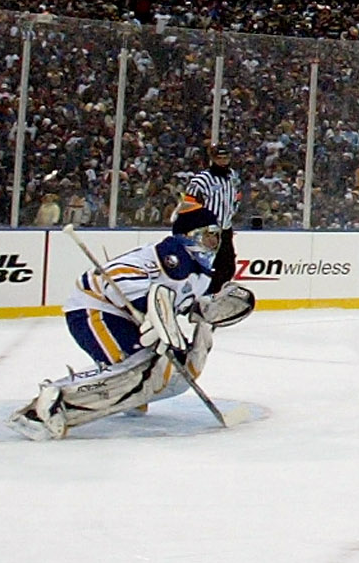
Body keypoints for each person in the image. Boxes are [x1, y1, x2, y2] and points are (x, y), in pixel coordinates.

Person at [13, 166, 253, 439]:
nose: (214, 242)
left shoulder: (199, 275)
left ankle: (109, 396)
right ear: (191, 234)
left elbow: (183, 307)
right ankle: (45, 405)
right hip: (94, 308)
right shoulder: (163, 256)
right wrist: (147, 308)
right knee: (138, 368)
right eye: (209, 234)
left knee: (157, 376)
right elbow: (113, 277)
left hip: (121, 317)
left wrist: (204, 315)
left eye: (216, 236)